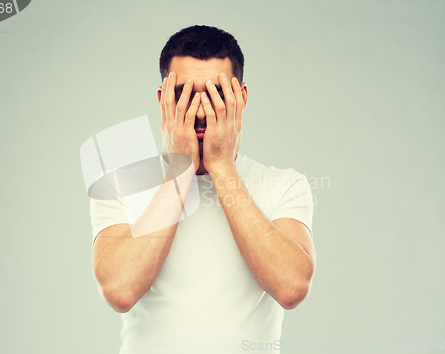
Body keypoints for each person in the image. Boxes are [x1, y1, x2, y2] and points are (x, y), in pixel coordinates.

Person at [89, 25, 316, 354]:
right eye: (184, 94)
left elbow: (291, 287)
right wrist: (180, 169)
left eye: (215, 95)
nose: (199, 112)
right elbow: (120, 291)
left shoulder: (284, 184)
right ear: (162, 98)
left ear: (242, 98)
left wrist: (221, 166)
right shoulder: (119, 184)